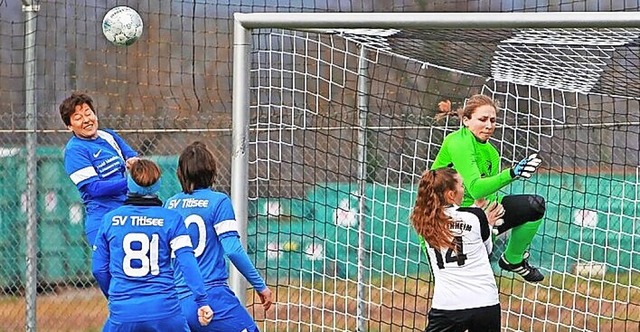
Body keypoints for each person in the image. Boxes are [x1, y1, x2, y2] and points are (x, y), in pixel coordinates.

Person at [431, 94, 545, 282]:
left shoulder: (492, 153)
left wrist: (490, 213)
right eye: (482, 119)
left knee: (534, 206)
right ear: (466, 120)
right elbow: (476, 188)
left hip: (473, 215)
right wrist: (512, 173)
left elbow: (484, 196)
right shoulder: (458, 142)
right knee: (459, 285)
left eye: (493, 120)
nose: (489, 125)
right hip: (442, 221)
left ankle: (513, 260)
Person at [92, 159, 214, 331]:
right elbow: (187, 263)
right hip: (164, 310)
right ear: (158, 185)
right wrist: (201, 300)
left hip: (123, 312)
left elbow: (98, 269)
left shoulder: (110, 220)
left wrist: (115, 297)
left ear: (129, 184)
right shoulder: (171, 219)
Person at [165, 141, 273, 332]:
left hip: (176, 301)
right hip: (212, 297)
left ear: (181, 173)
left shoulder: (171, 204)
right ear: (211, 171)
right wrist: (260, 285)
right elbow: (232, 249)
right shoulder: (218, 202)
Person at [411, 167, 504, 332]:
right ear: (450, 195)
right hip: (484, 302)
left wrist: (477, 211)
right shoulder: (475, 216)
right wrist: (487, 223)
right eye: (461, 186)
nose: (464, 189)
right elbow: (487, 250)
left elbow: (455, 223)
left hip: (448, 305)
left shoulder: (424, 221)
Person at [59, 92, 139, 246]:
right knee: (108, 269)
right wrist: (131, 183)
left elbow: (133, 159)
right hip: (103, 217)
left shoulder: (108, 136)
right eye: (78, 118)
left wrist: (136, 164)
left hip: (129, 212)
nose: (86, 120)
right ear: (69, 126)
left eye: (88, 113)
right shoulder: (75, 150)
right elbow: (95, 188)